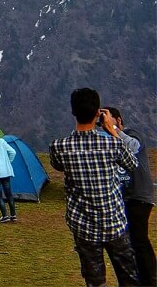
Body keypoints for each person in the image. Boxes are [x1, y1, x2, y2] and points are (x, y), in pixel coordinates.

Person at [49, 88, 140, 287]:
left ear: (73, 112)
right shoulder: (112, 145)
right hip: (114, 222)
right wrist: (112, 130)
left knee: (95, 281)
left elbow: (57, 165)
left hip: (84, 227)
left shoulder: (59, 147)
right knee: (129, 278)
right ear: (98, 112)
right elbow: (132, 164)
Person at [108, 107, 154, 287]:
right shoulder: (111, 141)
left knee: (139, 240)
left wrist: (114, 130)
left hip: (139, 195)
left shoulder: (132, 134)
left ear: (119, 120)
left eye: (109, 118)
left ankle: (150, 279)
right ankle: (137, 278)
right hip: (124, 196)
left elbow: (133, 147)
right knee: (128, 242)